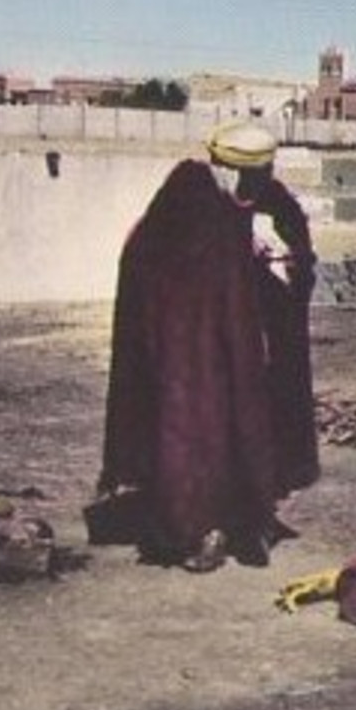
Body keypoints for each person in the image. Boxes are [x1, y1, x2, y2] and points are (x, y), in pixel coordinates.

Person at [98, 121, 318, 573]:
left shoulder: (265, 203)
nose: (257, 187)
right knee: (197, 438)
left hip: (242, 350)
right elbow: (150, 266)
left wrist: (282, 266)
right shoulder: (187, 202)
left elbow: (290, 256)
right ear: (228, 169)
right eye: (251, 178)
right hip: (189, 355)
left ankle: (245, 521)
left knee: (246, 431)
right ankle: (201, 529)